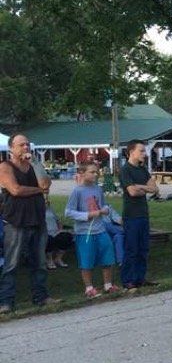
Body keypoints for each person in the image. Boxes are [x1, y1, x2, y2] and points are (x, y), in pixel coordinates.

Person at [0, 132, 58, 313]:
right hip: (16, 221)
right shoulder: (5, 166)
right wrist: (38, 190)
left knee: (39, 262)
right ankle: (6, 302)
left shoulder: (34, 165)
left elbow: (45, 184)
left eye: (27, 145)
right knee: (12, 264)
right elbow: (15, 190)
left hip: (38, 220)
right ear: (11, 148)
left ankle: (40, 297)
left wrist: (35, 163)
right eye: (21, 145)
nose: (26, 148)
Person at [65, 163, 119, 298]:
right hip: (85, 232)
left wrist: (105, 209)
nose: (96, 174)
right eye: (92, 172)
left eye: (97, 172)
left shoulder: (97, 189)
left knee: (108, 255)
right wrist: (87, 215)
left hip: (100, 229)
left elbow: (102, 204)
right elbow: (68, 212)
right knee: (86, 260)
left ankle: (108, 285)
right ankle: (89, 288)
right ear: (82, 173)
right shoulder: (77, 191)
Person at [120, 140, 159, 292]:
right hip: (131, 215)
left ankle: (140, 278)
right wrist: (143, 188)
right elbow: (132, 192)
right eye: (141, 151)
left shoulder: (143, 170)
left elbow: (154, 188)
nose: (144, 154)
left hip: (143, 214)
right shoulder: (126, 170)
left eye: (144, 151)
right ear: (131, 152)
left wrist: (140, 186)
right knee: (132, 249)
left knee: (143, 249)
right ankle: (128, 280)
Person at [44, 194, 74, 269]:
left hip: (55, 232)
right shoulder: (37, 211)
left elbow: (58, 221)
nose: (47, 202)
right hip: (45, 233)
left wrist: (60, 230)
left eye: (47, 200)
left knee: (67, 237)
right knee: (49, 239)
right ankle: (49, 260)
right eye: (45, 201)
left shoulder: (50, 210)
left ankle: (58, 258)